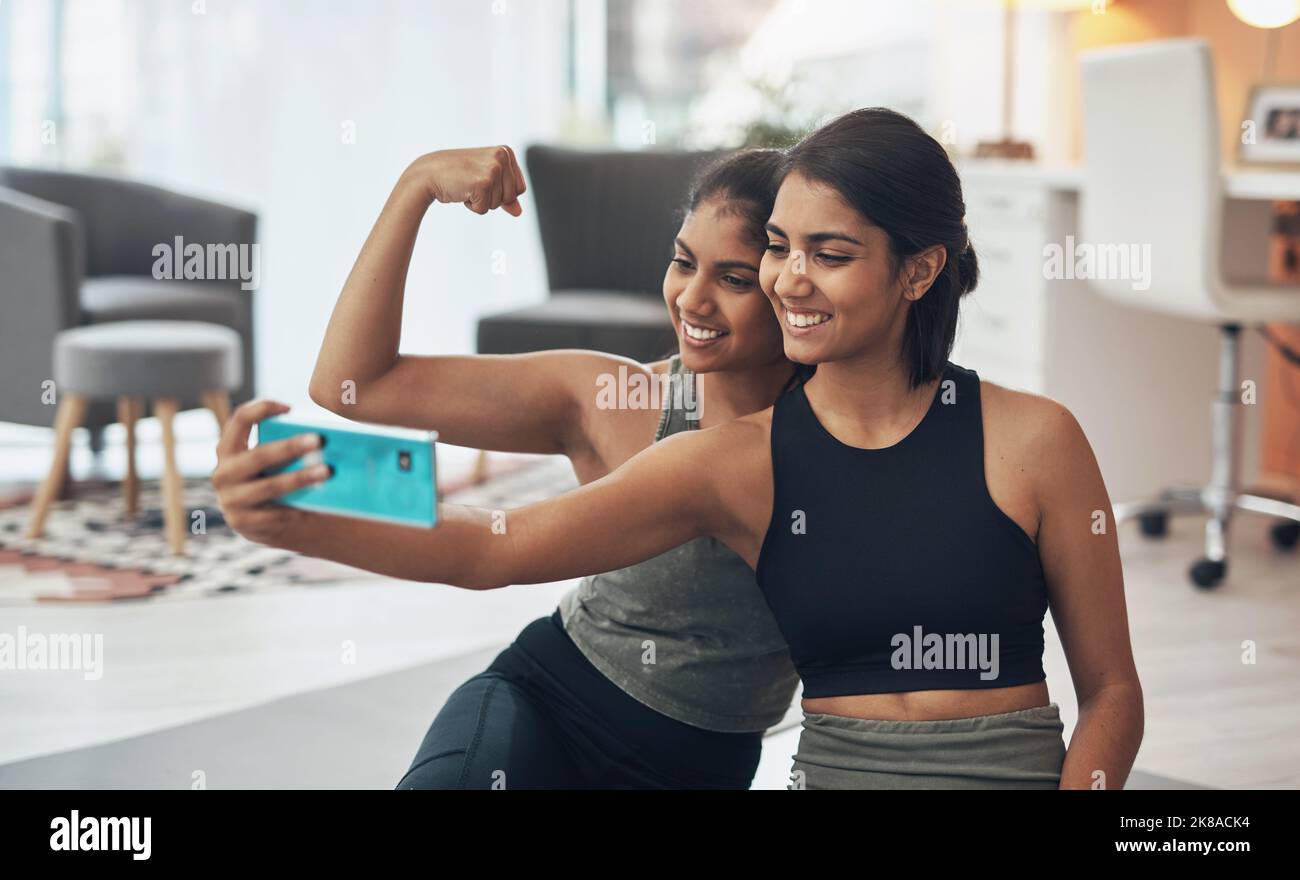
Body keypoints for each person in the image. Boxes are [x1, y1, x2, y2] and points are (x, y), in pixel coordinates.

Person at [214, 108, 1144, 789]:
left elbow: (1106, 688)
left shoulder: (997, 438)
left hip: (706, 762)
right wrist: (303, 494)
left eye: (743, 271)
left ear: (917, 270)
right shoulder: (676, 432)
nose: (706, 298)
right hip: (554, 704)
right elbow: (476, 527)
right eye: (772, 253)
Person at [304, 144, 799, 788]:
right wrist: (416, 185)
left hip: (702, 765)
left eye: (733, 278)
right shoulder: (614, 401)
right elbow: (351, 384)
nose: (692, 300)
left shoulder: (839, 438)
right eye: (682, 263)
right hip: (539, 705)